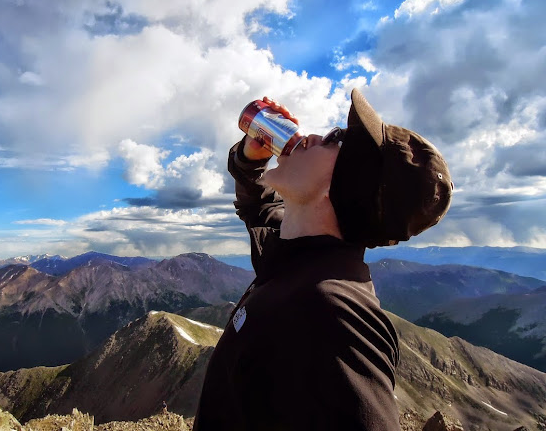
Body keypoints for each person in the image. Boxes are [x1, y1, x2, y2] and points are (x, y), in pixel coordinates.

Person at [193, 88, 453, 430]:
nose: (314, 136)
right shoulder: (299, 254)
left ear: (347, 184)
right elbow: (260, 208)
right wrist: (250, 159)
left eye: (335, 140)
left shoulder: (332, 311)